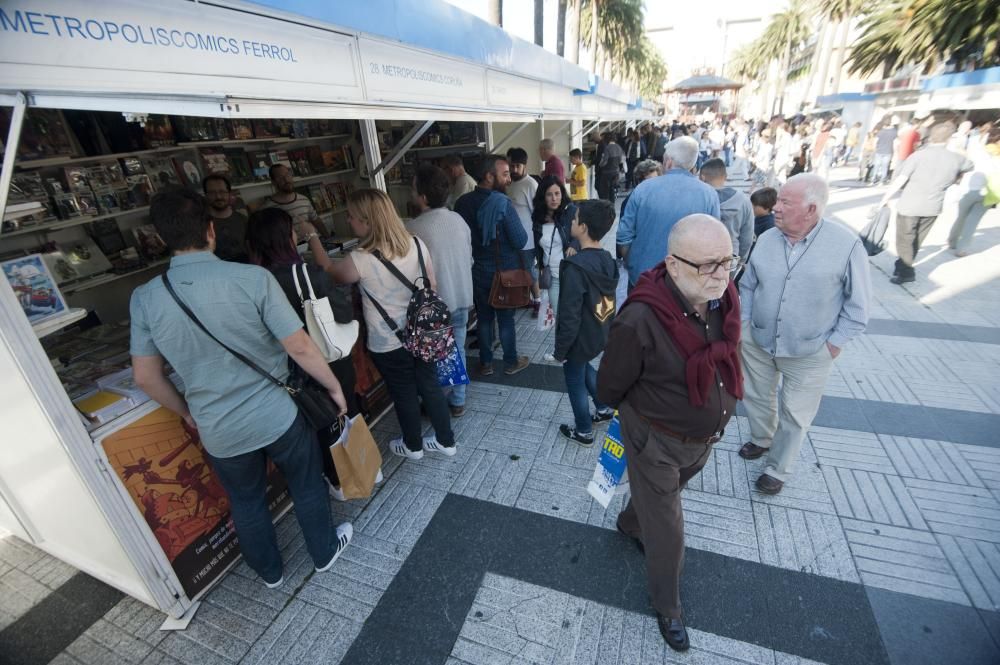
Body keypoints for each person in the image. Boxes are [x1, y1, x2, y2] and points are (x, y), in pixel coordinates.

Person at [130, 189, 352, 589]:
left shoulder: (145, 298)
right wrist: (333, 387)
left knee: (246, 501)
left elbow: (146, 377)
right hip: (278, 415)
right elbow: (299, 345)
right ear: (211, 231)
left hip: (218, 428)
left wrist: (185, 412)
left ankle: (270, 573)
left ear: (161, 239)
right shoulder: (253, 278)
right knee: (305, 483)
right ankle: (322, 552)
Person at [597, 214, 743, 652]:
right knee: (669, 531)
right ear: (673, 264)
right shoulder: (639, 318)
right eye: (707, 265)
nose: (720, 275)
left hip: (701, 442)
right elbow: (609, 386)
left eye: (727, 262)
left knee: (656, 503)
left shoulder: (721, 296)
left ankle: (629, 520)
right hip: (655, 441)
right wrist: (637, 426)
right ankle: (669, 606)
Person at [738, 174, 871, 494]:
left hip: (811, 350)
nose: (776, 207)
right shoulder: (768, 238)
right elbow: (748, 286)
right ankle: (761, 438)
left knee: (795, 413)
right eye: (778, 201)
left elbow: (858, 307)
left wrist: (833, 346)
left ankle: (777, 469)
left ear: (811, 209)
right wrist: (743, 327)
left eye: (785, 202)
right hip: (758, 340)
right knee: (756, 396)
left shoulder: (846, 245)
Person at [322, 189, 457, 460]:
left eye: (351, 216)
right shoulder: (417, 244)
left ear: (368, 220)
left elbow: (329, 274)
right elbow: (433, 286)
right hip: (425, 334)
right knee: (430, 385)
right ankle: (446, 441)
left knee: (403, 392)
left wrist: (313, 238)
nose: (348, 221)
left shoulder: (360, 258)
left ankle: (413, 446)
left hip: (388, 341)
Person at [244, 207, 361, 500]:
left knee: (309, 427)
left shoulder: (249, 282)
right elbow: (343, 313)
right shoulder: (308, 275)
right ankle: (350, 474)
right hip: (328, 362)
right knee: (343, 415)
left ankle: (330, 477)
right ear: (287, 237)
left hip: (282, 371)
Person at [454, 154, 531, 376]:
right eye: (505, 174)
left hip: (478, 272)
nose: (509, 179)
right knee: (506, 320)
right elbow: (520, 240)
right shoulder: (503, 205)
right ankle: (510, 362)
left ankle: (486, 363)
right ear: (489, 176)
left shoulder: (462, 203)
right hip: (504, 274)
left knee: (484, 320)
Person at [407, 165, 475, 417]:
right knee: (457, 348)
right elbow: (469, 259)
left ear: (423, 197)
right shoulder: (458, 220)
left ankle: (437, 401)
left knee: (433, 358)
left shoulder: (413, 228)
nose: (411, 194)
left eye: (413, 189)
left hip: (435, 304)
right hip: (462, 296)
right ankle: (458, 399)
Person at [553, 200, 618, 445]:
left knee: (574, 377)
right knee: (584, 367)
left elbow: (569, 314)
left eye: (574, 218)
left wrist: (561, 350)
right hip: (599, 331)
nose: (571, 221)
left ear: (583, 227)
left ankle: (583, 430)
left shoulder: (575, 267)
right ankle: (602, 408)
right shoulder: (608, 260)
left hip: (579, 336)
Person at [877, 122, 974, 284]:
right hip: (933, 206)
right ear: (949, 139)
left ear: (930, 137)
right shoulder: (955, 158)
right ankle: (902, 266)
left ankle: (907, 271)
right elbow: (970, 165)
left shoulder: (918, 156)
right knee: (916, 240)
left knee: (904, 240)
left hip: (910, 205)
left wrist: (885, 198)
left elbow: (901, 179)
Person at [617, 137, 721, 288]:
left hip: (644, 277)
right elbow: (712, 238)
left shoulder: (643, 189)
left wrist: (632, 261)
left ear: (669, 162)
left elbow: (624, 235)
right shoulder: (709, 195)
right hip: (686, 281)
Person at [532, 176, 579, 321]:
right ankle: (562, 344)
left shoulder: (570, 212)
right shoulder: (538, 218)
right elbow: (537, 244)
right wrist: (540, 264)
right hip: (552, 276)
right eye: (549, 194)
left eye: (557, 193)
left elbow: (583, 233)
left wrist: (574, 245)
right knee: (560, 318)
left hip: (571, 274)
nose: (554, 198)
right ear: (542, 197)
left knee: (573, 317)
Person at [948, 134, 1000, 256]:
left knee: (961, 217)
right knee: (973, 221)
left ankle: (952, 241)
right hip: (989, 194)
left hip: (969, 190)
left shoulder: (978, 152)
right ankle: (962, 248)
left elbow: (958, 151)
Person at [505, 147, 541, 312]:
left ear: (525, 165)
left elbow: (538, 213)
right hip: (512, 238)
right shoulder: (509, 184)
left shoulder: (531, 185)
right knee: (518, 270)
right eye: (511, 165)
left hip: (528, 240)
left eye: (517, 166)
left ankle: (538, 300)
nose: (513, 169)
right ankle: (525, 299)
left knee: (528, 269)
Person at [699, 158, 753, 261]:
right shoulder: (743, 201)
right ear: (726, 177)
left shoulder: (698, 199)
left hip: (701, 257)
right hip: (730, 257)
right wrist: (741, 259)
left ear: (702, 177)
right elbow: (747, 237)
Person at [259, 164, 328, 236]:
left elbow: (316, 220)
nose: (286, 180)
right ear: (273, 182)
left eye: (287, 175)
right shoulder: (266, 209)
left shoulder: (304, 199)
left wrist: (328, 237)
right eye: (280, 177)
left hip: (311, 244)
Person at [202, 174, 249, 263]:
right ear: (206, 195)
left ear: (230, 193)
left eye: (222, 191)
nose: (218, 197)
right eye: (212, 193)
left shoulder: (243, 220)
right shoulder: (200, 224)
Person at [596, 132, 625, 202]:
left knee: (605, 192)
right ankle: (612, 205)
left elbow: (604, 161)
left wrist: (599, 165)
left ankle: (606, 207)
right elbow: (622, 160)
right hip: (616, 172)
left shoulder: (607, 148)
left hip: (606, 173)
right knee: (612, 190)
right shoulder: (619, 147)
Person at [871, 119, 898, 185]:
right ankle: (882, 180)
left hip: (879, 151)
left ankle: (874, 178)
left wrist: (874, 149)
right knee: (885, 166)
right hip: (888, 151)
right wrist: (894, 151)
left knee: (877, 165)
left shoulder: (880, 132)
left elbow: (875, 141)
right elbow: (895, 142)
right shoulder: (894, 132)